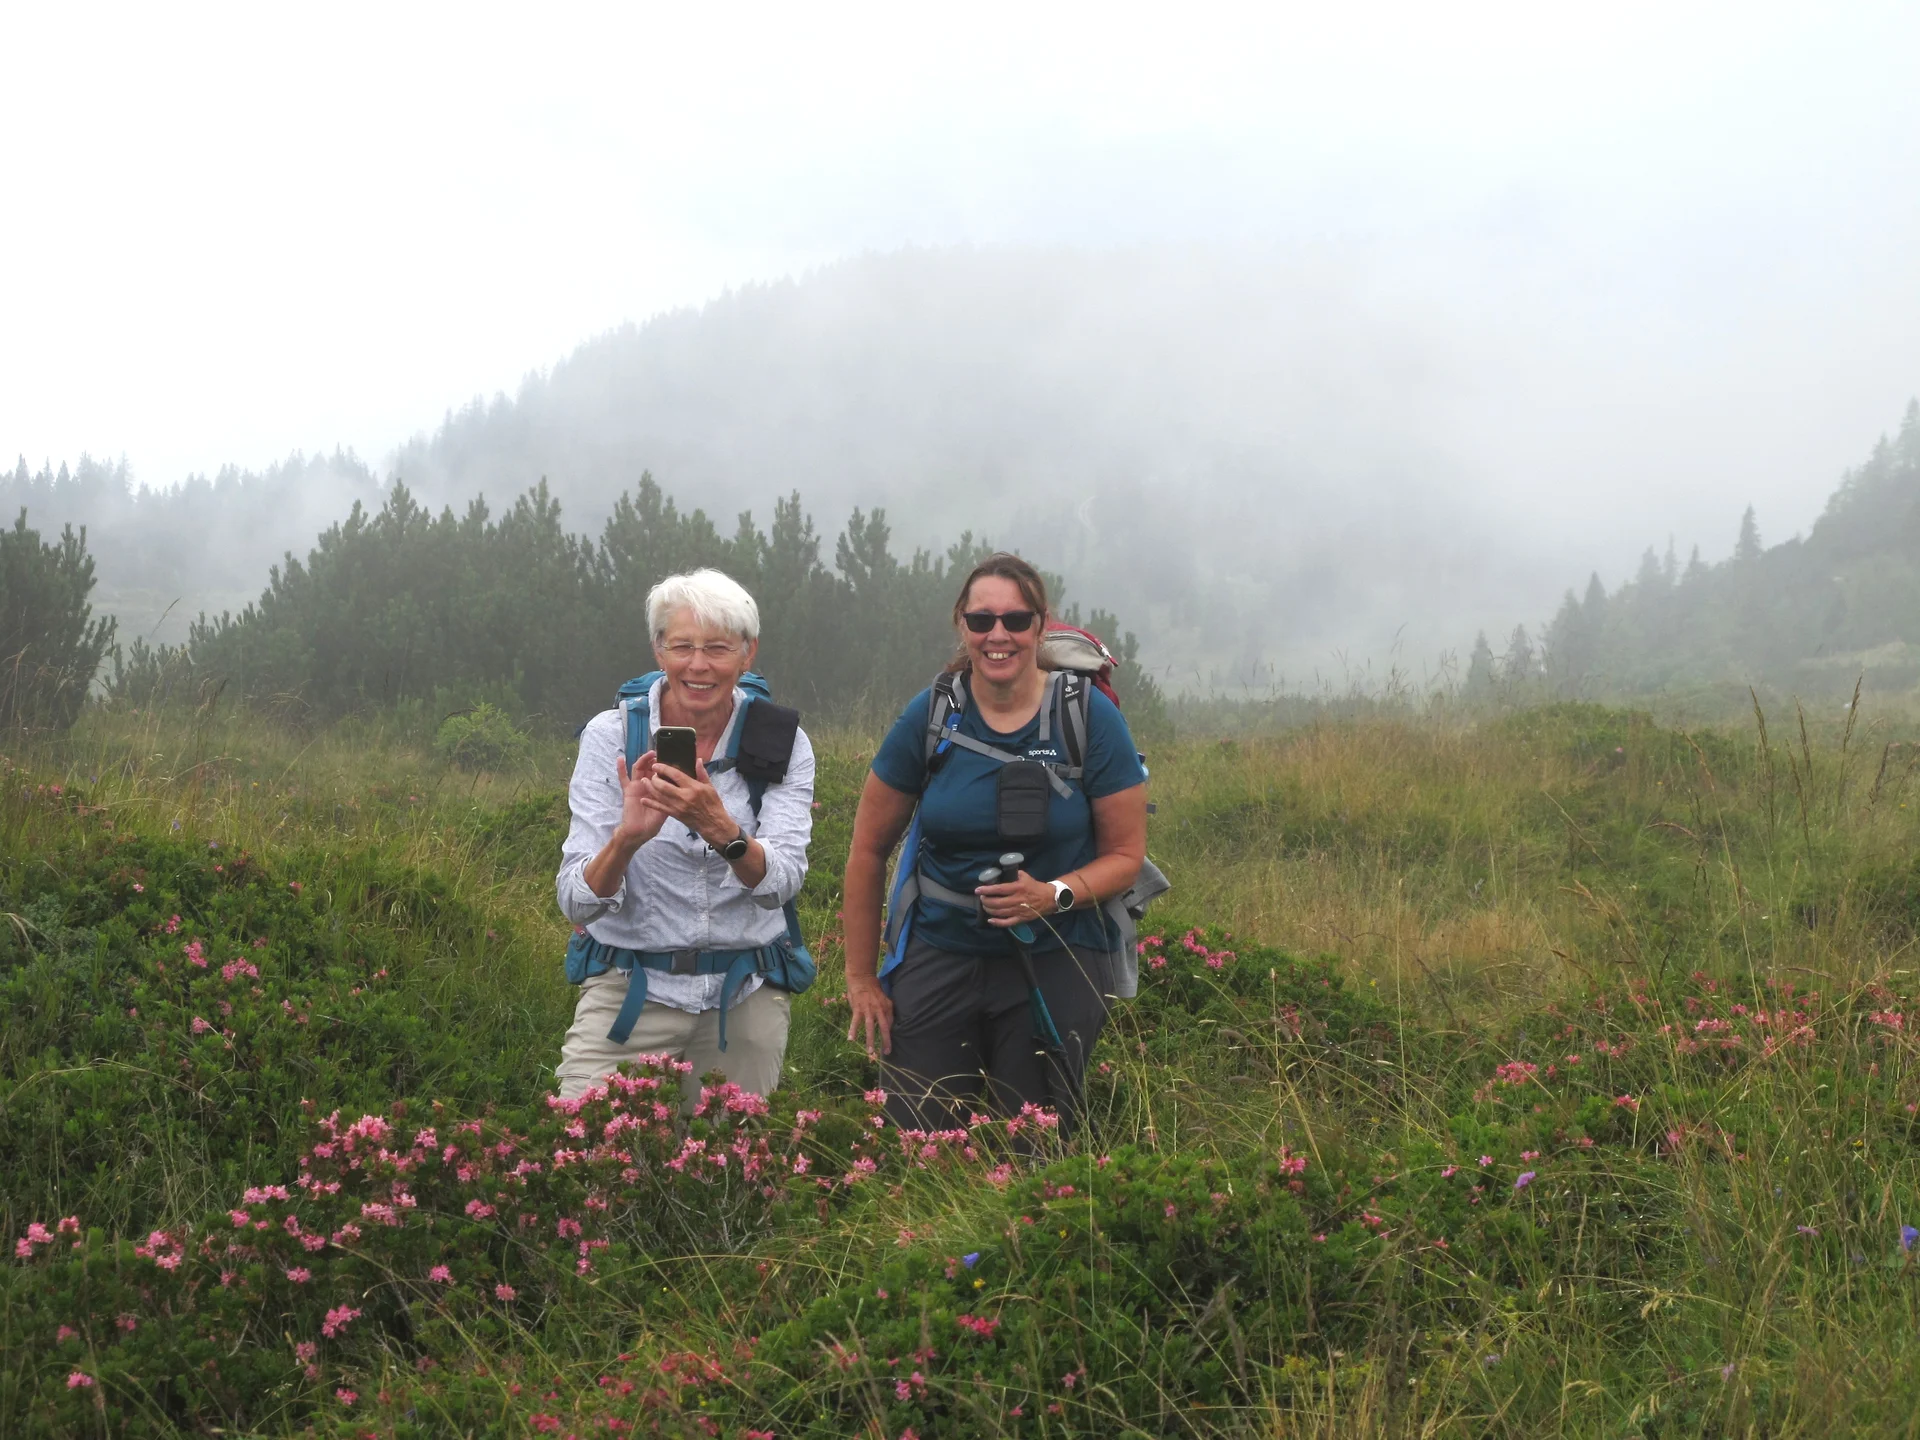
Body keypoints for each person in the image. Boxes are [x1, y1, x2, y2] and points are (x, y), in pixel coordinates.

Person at [842, 552, 1147, 1135]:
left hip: (1057, 954)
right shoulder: (932, 714)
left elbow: (1126, 856)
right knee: (917, 1142)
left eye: (1015, 619)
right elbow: (866, 849)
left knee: (1037, 1146)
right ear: (962, 624)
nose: (998, 635)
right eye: (981, 621)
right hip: (940, 952)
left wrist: (1052, 894)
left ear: (1040, 625)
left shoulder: (1087, 718)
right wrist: (861, 978)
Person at [554, 568, 814, 1102]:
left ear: (748, 653)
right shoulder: (612, 737)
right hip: (629, 989)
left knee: (728, 1172)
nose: (698, 665)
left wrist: (720, 828)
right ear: (658, 650)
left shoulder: (782, 741)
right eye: (683, 646)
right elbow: (576, 904)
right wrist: (626, 840)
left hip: (744, 996)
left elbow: (782, 884)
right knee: (583, 1155)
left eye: (718, 648)